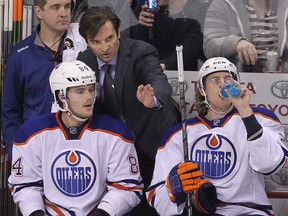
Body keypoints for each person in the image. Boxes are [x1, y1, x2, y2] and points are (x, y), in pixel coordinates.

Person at [146, 57, 288, 215]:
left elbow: (270, 165)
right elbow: (156, 199)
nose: (223, 84)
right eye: (215, 80)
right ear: (202, 90)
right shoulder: (179, 134)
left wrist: (245, 111)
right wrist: (172, 189)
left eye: (228, 79)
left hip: (249, 211)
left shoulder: (260, 118)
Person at [77, 5, 180, 215]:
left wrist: (153, 100)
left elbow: (158, 81)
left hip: (150, 143)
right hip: (113, 151)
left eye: (109, 38)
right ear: (87, 41)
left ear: (119, 32)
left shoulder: (140, 51)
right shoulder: (84, 61)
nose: (104, 47)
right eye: (95, 42)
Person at [8, 60, 143, 216]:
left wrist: (103, 213)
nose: (89, 97)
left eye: (91, 90)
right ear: (60, 96)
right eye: (80, 91)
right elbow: (25, 185)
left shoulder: (117, 134)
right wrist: (35, 213)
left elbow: (127, 186)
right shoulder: (31, 135)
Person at [2, 0, 87, 160]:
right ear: (39, 12)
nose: (64, 13)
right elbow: (11, 113)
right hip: (35, 152)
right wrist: (18, 155)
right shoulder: (20, 55)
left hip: (79, 150)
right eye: (56, 7)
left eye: (67, 6)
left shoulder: (84, 46)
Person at [203, 0, 288, 73]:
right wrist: (236, 43)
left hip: (281, 84)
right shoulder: (224, 4)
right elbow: (210, 46)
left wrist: (284, 66)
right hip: (238, 82)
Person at [125, 0, 205, 71]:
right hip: (152, 76)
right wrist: (142, 27)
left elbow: (191, 48)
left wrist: (165, 65)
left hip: (187, 78)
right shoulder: (151, 12)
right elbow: (135, 47)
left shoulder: (198, 12)